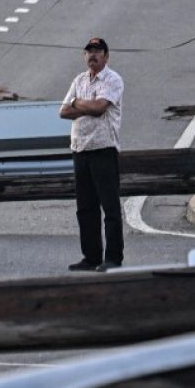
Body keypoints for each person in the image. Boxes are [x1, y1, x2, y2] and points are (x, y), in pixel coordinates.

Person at [60, 37, 125, 272]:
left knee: (110, 207)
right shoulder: (79, 80)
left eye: (98, 52)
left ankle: (114, 258)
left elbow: (99, 109)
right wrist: (83, 104)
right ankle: (91, 256)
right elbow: (64, 111)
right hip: (80, 149)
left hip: (103, 149)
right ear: (84, 56)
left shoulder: (112, 79)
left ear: (106, 56)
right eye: (89, 52)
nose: (93, 55)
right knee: (85, 208)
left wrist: (79, 103)